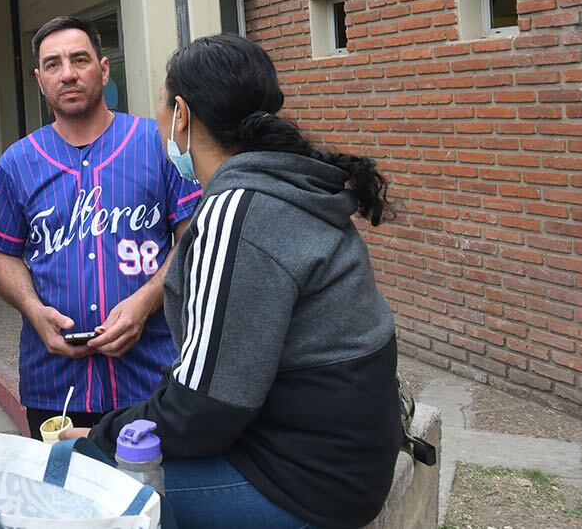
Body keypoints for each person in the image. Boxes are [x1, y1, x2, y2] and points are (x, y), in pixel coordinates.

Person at [64, 33, 401, 529]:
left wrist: (99, 438)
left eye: (161, 105)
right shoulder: (288, 182)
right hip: (344, 462)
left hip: (305, 483)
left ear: (182, 113)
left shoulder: (237, 210)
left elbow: (203, 408)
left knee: (86, 480)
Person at [0, 15, 201, 439]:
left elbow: (191, 235)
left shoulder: (154, 142)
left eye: (79, 59)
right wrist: (32, 309)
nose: (68, 73)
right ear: (40, 80)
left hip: (151, 373)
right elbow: (1, 253)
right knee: (65, 499)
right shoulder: (17, 162)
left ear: (103, 67)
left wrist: (148, 299)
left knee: (150, 496)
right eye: (54, 64)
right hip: (55, 382)